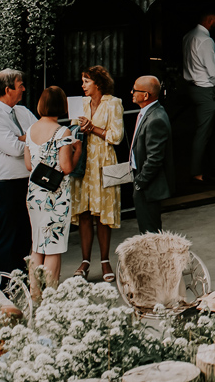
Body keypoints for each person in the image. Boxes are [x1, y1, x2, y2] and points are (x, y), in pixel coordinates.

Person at [0, 69, 39, 276]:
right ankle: (0, 285)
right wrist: (27, 138)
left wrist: (24, 138)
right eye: (20, 84)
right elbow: (15, 148)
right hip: (4, 185)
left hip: (27, 182)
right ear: (8, 89)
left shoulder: (23, 111)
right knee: (4, 236)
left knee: (24, 234)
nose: (23, 88)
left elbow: (40, 135)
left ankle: (20, 281)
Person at [24, 86, 82, 297]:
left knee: (37, 244)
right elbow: (66, 167)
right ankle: (50, 296)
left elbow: (29, 165)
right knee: (53, 246)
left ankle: (35, 294)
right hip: (55, 196)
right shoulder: (63, 132)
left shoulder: (30, 131)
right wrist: (78, 152)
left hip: (34, 193)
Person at [70, 66, 124, 284]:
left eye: (86, 81)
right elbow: (72, 132)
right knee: (84, 212)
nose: (82, 85)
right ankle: (85, 262)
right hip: (84, 162)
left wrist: (93, 129)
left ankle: (104, 260)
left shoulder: (114, 103)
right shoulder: (79, 103)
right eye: (82, 81)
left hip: (103, 161)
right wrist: (79, 130)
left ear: (98, 84)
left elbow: (116, 136)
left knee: (103, 214)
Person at [183, 8, 215, 186]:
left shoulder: (188, 36)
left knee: (207, 129)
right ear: (210, 18)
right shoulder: (205, 40)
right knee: (203, 132)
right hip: (206, 89)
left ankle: (213, 163)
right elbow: (213, 70)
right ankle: (197, 173)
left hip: (192, 87)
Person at [129, 76, 174, 234]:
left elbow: (154, 158)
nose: (131, 92)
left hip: (148, 185)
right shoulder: (148, 113)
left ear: (146, 95)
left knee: (149, 232)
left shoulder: (156, 119)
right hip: (142, 180)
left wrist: (140, 182)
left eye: (135, 90)